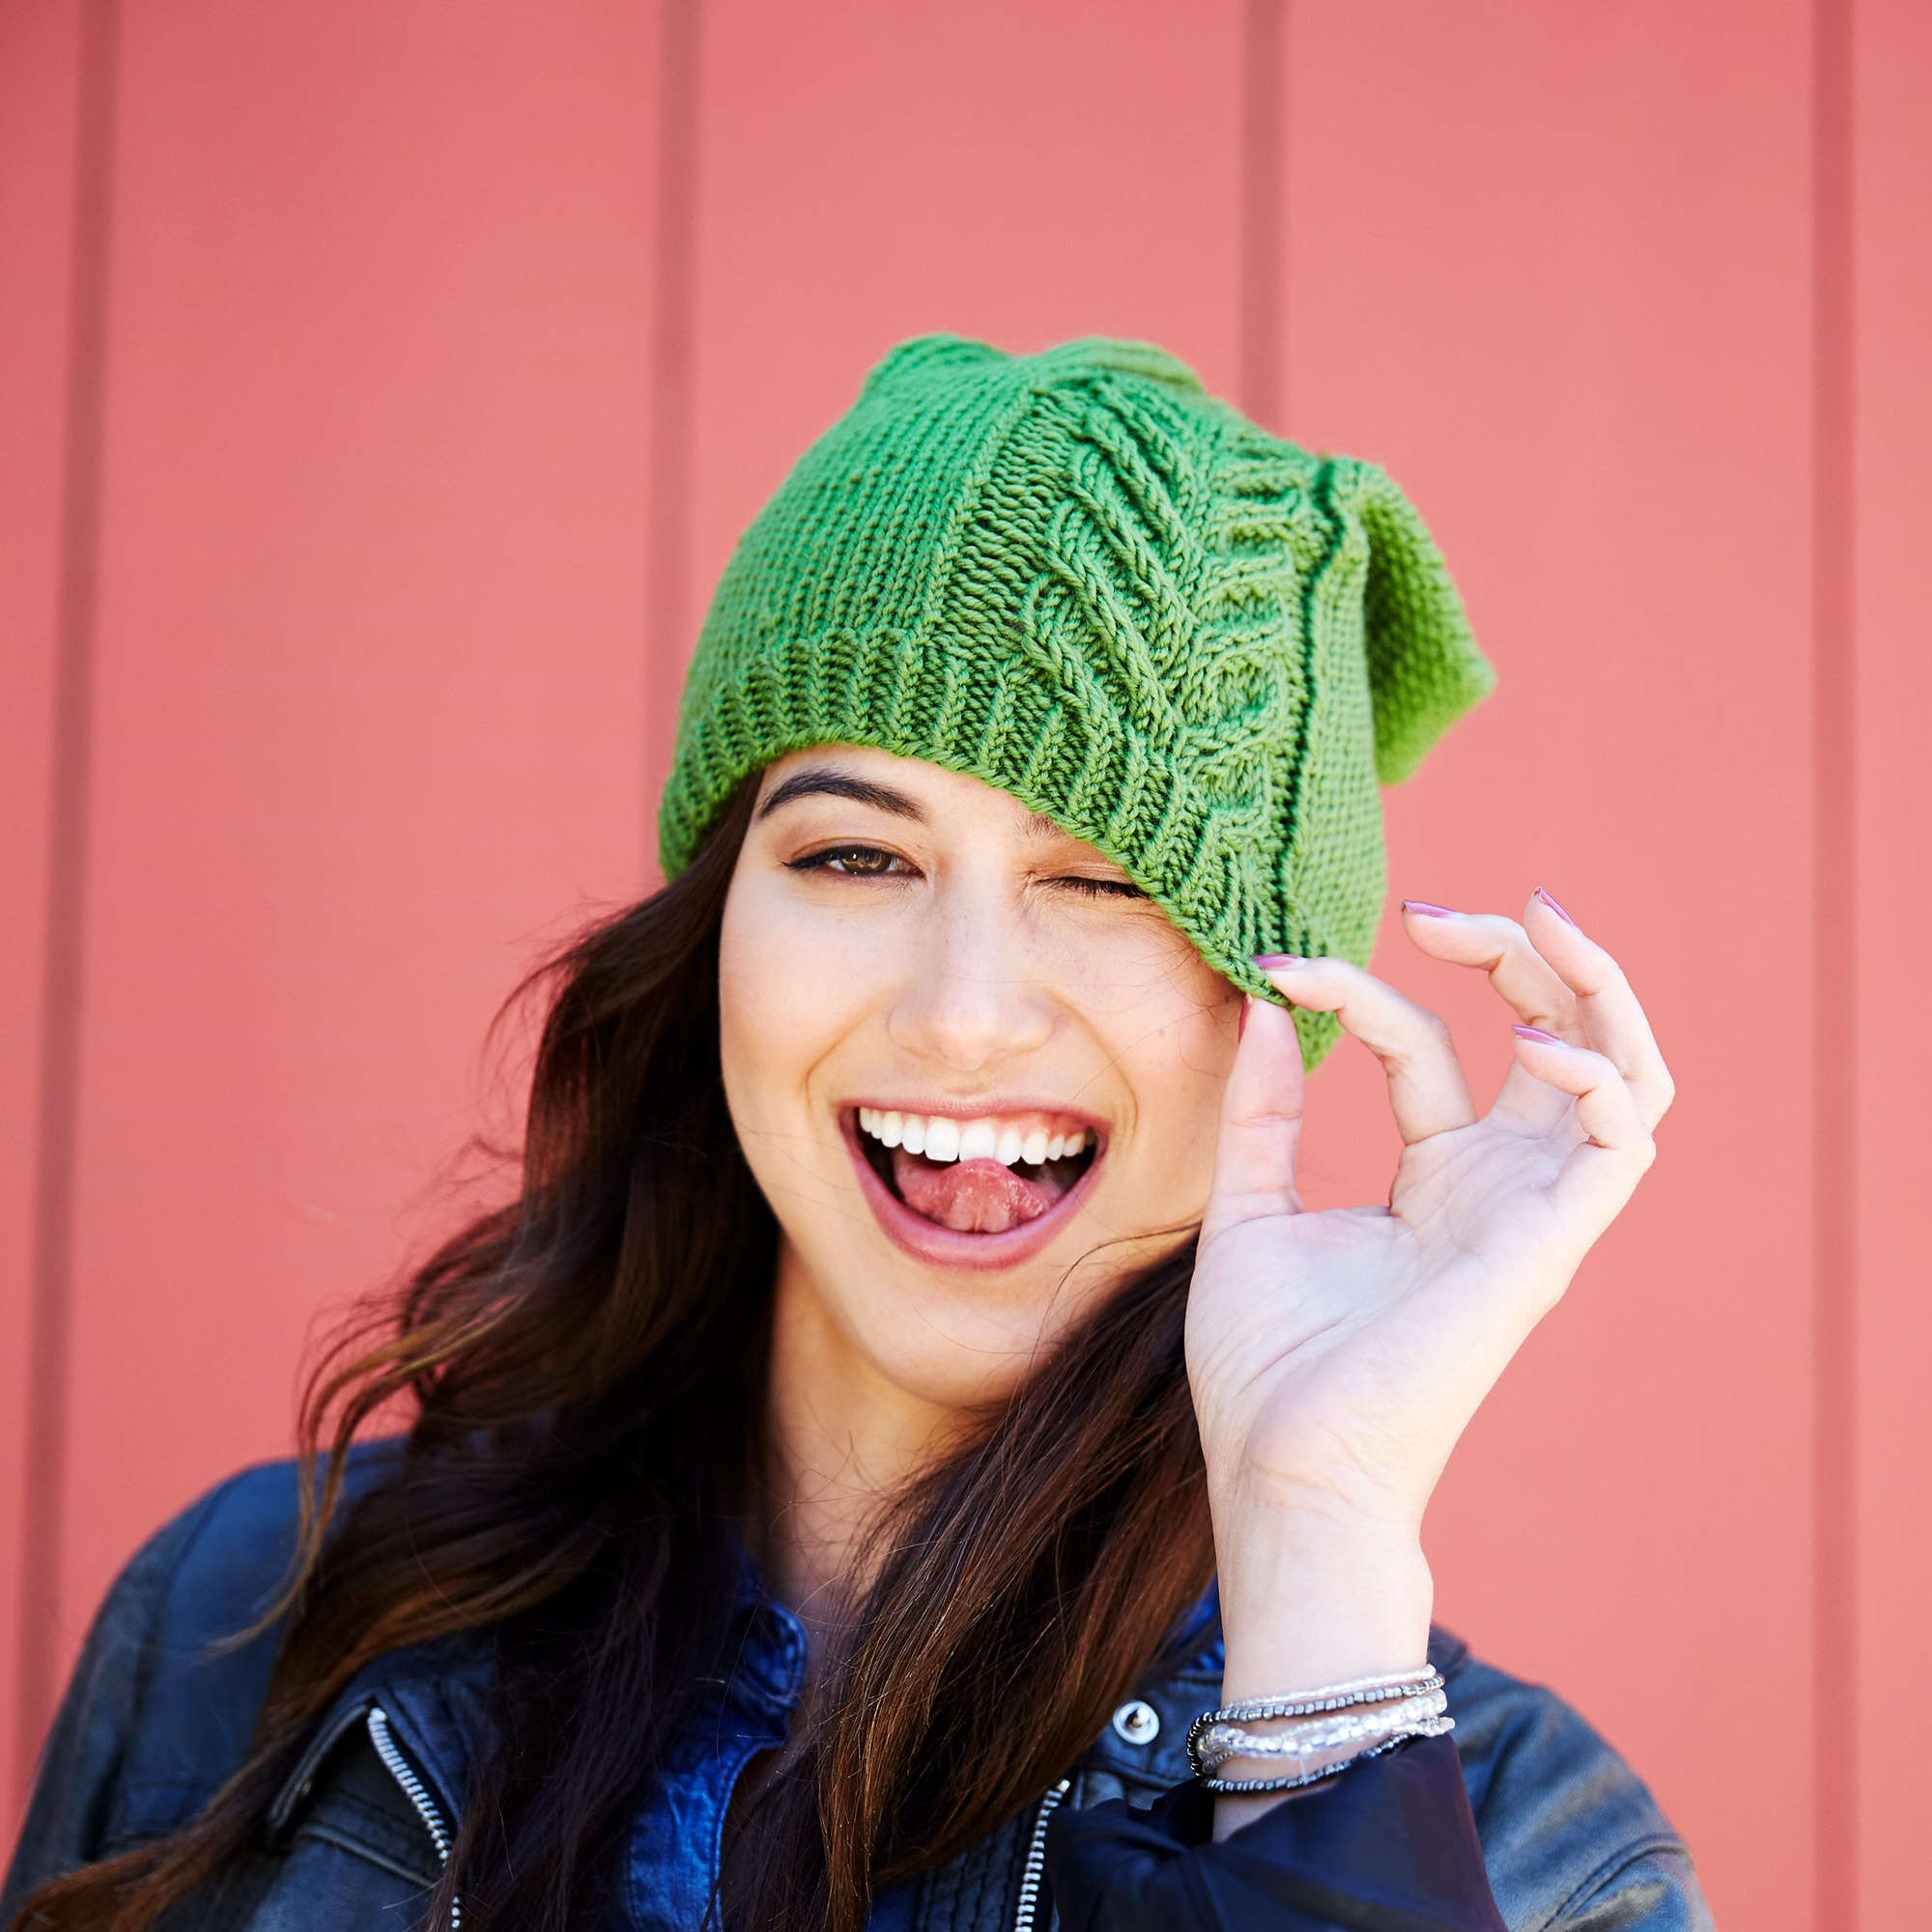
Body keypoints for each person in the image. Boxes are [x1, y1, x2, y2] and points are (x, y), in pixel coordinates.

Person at [4, 335, 1711, 1932]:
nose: (964, 1014)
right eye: (854, 856)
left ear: (1282, 1005)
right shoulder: (247, 1616)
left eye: (1106, 883)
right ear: (716, 934)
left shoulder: (1536, 1854)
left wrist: (1319, 1579)